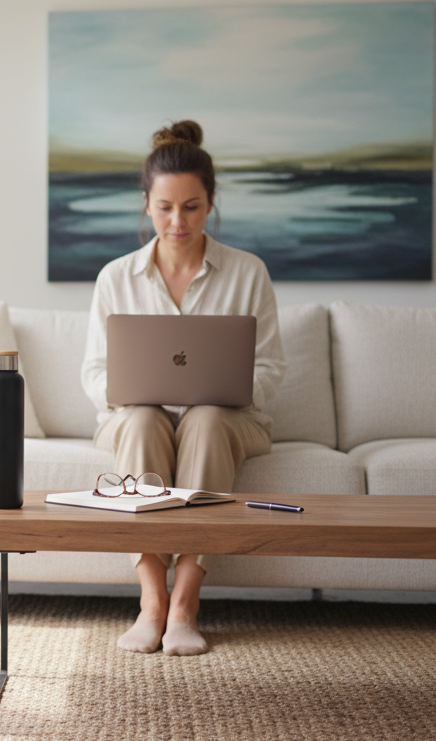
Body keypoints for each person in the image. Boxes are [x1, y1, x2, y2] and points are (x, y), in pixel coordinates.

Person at [80, 120, 286, 656]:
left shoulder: (249, 272)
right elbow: (94, 372)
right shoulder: (115, 278)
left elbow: (269, 369)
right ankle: (151, 600)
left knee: (208, 418)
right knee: (145, 420)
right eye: (166, 207)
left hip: (226, 420)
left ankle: (186, 603)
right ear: (146, 204)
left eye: (192, 207)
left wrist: (221, 389)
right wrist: (133, 391)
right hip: (138, 417)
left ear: (211, 203)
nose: (178, 221)